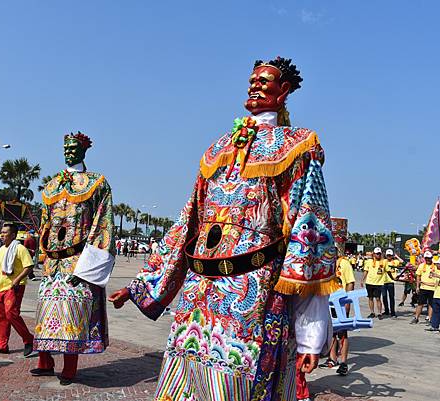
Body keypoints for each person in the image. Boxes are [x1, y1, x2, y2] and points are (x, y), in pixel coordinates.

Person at [108, 57, 339, 401]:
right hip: (196, 300)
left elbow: (309, 234)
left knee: (239, 384)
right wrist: (145, 282)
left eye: (265, 81)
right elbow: (188, 223)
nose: (255, 85)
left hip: (253, 297)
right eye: (252, 80)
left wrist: (310, 335)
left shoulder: (297, 146)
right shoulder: (217, 149)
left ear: (284, 91)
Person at [31, 132, 115, 385]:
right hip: (53, 261)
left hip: (77, 258)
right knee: (45, 313)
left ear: (84, 150)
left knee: (73, 314)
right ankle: (44, 361)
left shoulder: (97, 183)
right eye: (65, 147)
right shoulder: (52, 184)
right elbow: (45, 222)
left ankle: (70, 367)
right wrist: (42, 253)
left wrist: (91, 262)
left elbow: (103, 223)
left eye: (73, 147)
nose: (68, 151)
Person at [0, 223, 34, 357]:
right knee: (1, 316)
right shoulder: (2, 249)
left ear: (13, 235)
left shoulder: (20, 248)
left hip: (14, 287)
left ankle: (29, 339)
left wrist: (17, 280)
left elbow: (29, 266)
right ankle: (0, 345)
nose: (2, 235)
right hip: (1, 286)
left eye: (5, 233)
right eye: (1, 232)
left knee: (11, 314)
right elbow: (0, 267)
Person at [324, 249, 355, 376]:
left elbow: (350, 283)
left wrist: (347, 302)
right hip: (328, 302)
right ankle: (332, 359)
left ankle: (343, 362)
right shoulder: (326, 263)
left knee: (342, 333)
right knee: (331, 331)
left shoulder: (344, 263)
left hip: (341, 302)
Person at [361, 247, 386, 319]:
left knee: (378, 298)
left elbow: (388, 271)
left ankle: (380, 313)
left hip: (379, 283)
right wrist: (362, 280)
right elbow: (366, 271)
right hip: (369, 283)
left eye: (379, 253)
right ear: (374, 254)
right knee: (370, 298)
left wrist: (393, 278)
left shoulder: (384, 262)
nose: (378, 255)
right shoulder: (369, 261)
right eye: (377, 253)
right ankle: (372, 312)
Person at [411, 251, 436, 324]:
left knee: (431, 304)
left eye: (429, 258)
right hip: (423, 288)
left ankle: (430, 319)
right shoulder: (421, 265)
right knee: (420, 304)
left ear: (431, 258)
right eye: (426, 258)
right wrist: (417, 287)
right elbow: (418, 276)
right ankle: (416, 318)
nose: (428, 260)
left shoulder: (435, 266)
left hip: (433, 288)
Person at [382, 249, 402, 318]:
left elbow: (402, 262)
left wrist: (396, 256)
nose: (389, 257)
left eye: (390, 255)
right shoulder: (384, 261)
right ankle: (386, 311)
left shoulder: (395, 262)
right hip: (384, 281)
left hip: (391, 282)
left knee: (391, 298)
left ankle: (393, 312)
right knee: (384, 297)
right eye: (388, 255)